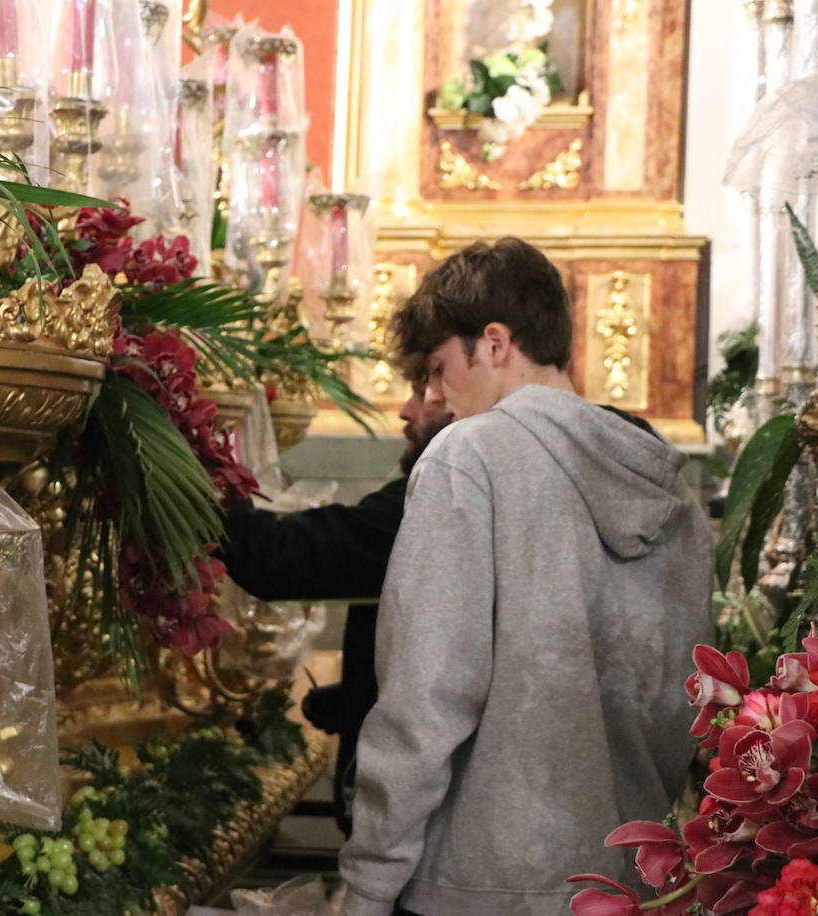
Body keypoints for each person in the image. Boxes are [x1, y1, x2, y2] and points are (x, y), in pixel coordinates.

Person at [339, 238, 712, 916]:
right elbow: (679, 702)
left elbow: (426, 697)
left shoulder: (471, 455)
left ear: (495, 341)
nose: (436, 396)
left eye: (439, 366)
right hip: (627, 883)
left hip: (477, 882)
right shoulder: (664, 484)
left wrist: (367, 882)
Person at [217, 392, 451, 835]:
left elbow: (277, 557)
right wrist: (356, 698)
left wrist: (207, 467)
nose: (403, 410)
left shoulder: (430, 502)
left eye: (429, 386)